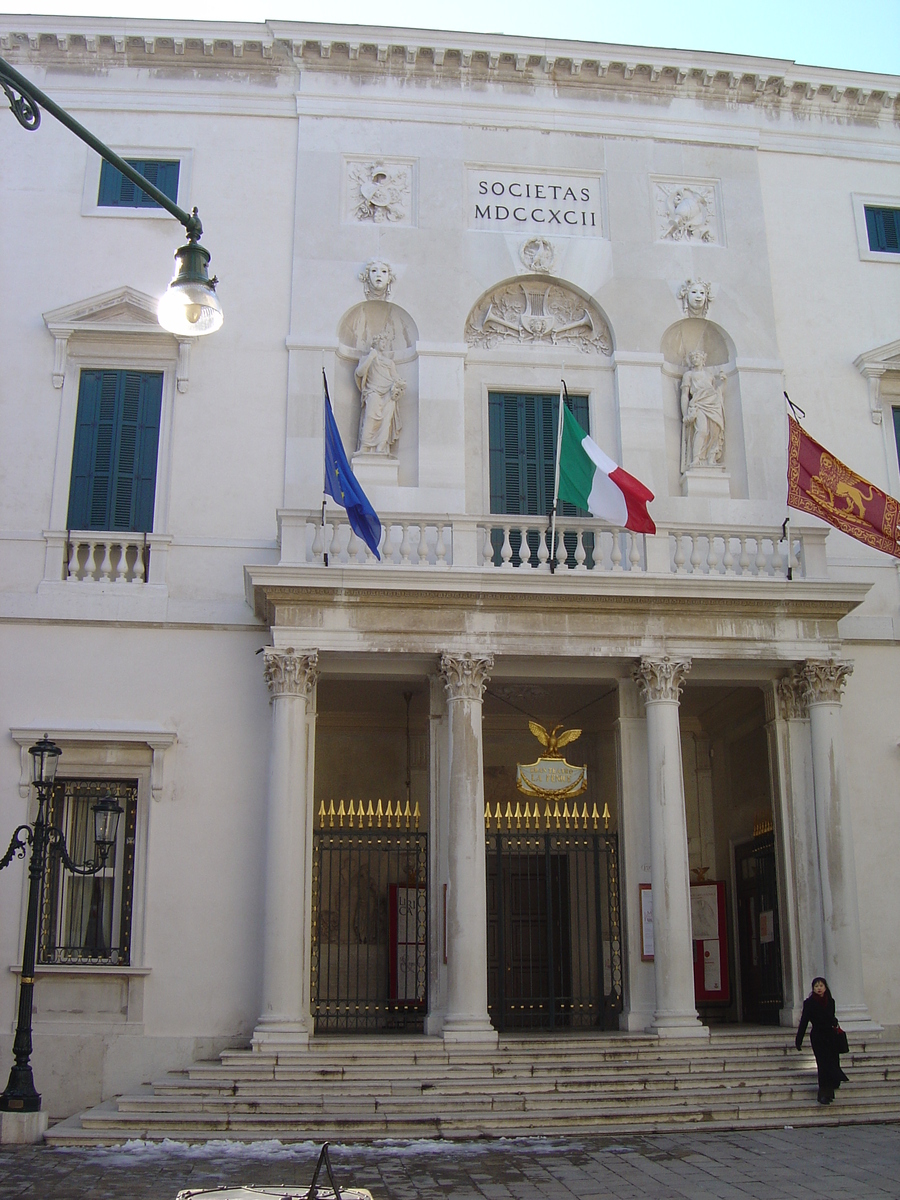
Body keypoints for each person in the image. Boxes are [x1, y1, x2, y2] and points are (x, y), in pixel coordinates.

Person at [795, 976, 849, 1104]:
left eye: (821, 986)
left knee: (832, 1062)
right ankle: (824, 1093)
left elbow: (831, 1017)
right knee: (823, 1064)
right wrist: (799, 1039)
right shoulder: (809, 1003)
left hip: (831, 1036)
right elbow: (804, 1021)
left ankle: (831, 1089)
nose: (819, 988)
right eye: (816, 986)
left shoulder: (831, 1001)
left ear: (825, 987)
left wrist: (834, 1021)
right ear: (813, 989)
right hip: (818, 1037)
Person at [355, 331, 404, 454]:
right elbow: (360, 373)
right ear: (376, 343)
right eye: (382, 341)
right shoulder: (368, 358)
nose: (384, 344)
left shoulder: (389, 363)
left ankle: (381, 447)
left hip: (388, 393)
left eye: (386, 342)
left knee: (386, 420)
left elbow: (395, 377)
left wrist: (399, 385)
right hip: (373, 391)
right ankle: (365, 447)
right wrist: (371, 357)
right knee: (371, 417)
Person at [680, 349, 726, 471]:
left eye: (698, 357)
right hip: (698, 403)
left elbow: (717, 392)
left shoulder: (710, 375)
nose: (695, 359)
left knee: (714, 432)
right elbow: (685, 395)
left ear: (703, 359)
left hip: (713, 403)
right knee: (702, 430)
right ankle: (696, 458)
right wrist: (685, 414)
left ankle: (711, 458)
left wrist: (723, 382)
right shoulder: (688, 375)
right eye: (693, 357)